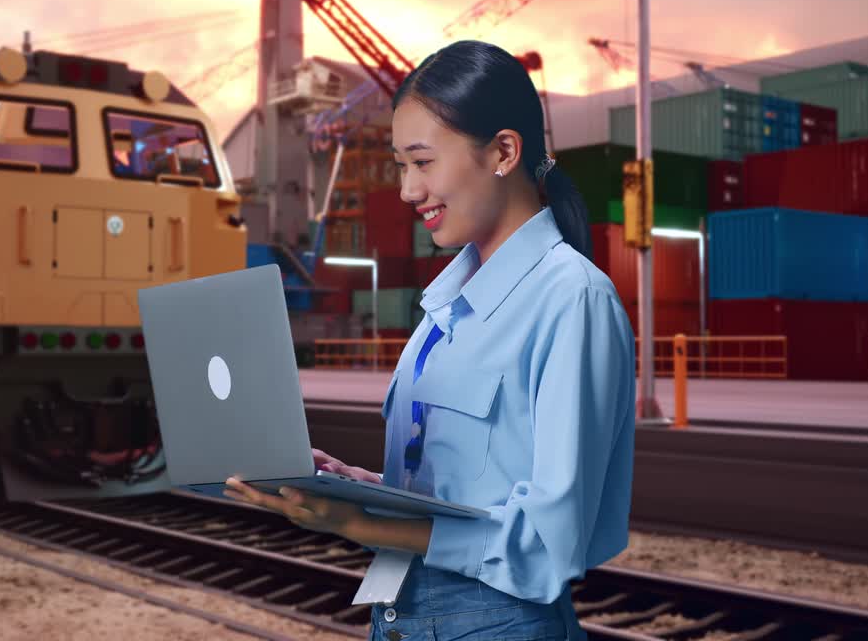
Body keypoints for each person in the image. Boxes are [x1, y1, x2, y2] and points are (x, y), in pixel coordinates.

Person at [225, 39, 636, 641]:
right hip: (399, 615)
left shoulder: (572, 301)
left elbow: (548, 544)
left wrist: (363, 527)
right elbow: (461, 490)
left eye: (422, 162)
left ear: (503, 152)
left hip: (500, 626)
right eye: (400, 165)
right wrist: (361, 487)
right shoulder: (443, 307)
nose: (408, 191)